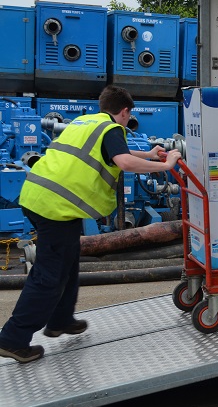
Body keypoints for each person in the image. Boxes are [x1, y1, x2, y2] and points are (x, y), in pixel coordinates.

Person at [0, 85, 182, 363]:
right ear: (125, 112)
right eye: (128, 117)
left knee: (69, 259)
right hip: (55, 208)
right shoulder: (112, 129)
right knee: (49, 275)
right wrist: (166, 165)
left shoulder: (85, 122)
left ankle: (61, 320)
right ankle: (13, 339)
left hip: (40, 196)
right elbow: (123, 162)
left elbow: (112, 153)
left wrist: (149, 154)